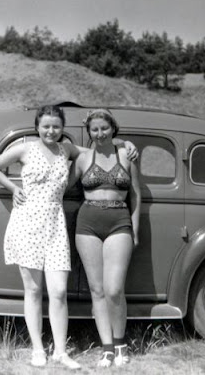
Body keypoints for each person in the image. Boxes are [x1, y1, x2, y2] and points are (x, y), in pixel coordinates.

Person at [0, 105, 136, 369]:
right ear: (37, 126)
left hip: (55, 224)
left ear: (62, 128)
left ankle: (60, 351)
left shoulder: (67, 150)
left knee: (59, 291)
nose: (51, 131)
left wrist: (125, 143)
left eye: (56, 126)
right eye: (46, 126)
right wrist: (13, 188)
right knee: (33, 290)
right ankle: (37, 349)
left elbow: (100, 149)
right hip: (28, 222)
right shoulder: (25, 148)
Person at [70, 108, 141, 367]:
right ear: (88, 132)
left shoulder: (127, 155)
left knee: (114, 289)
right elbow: (63, 184)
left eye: (104, 128)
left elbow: (136, 195)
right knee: (97, 290)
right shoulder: (82, 158)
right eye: (94, 129)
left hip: (119, 221)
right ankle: (107, 347)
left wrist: (135, 229)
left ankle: (121, 342)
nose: (100, 134)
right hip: (87, 223)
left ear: (113, 128)